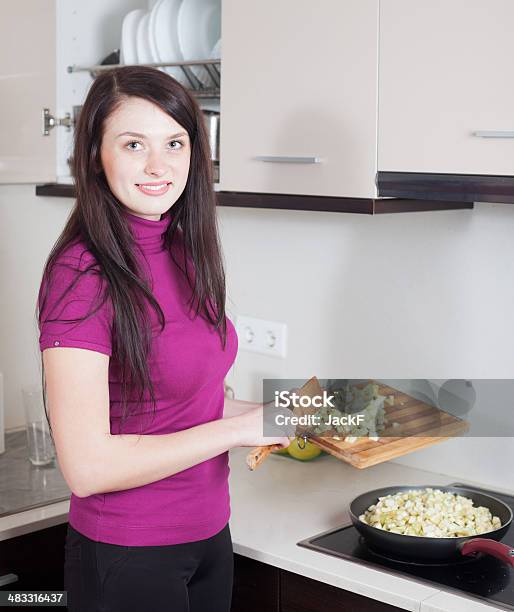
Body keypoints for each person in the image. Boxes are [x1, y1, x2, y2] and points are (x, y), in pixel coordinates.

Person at [36, 65, 290, 612]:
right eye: (134, 144)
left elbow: (191, 399)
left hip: (208, 537)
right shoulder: (82, 277)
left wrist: (293, 413)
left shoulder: (184, 249)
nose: (159, 165)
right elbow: (87, 468)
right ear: (95, 158)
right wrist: (240, 430)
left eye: (175, 142)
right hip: (127, 555)